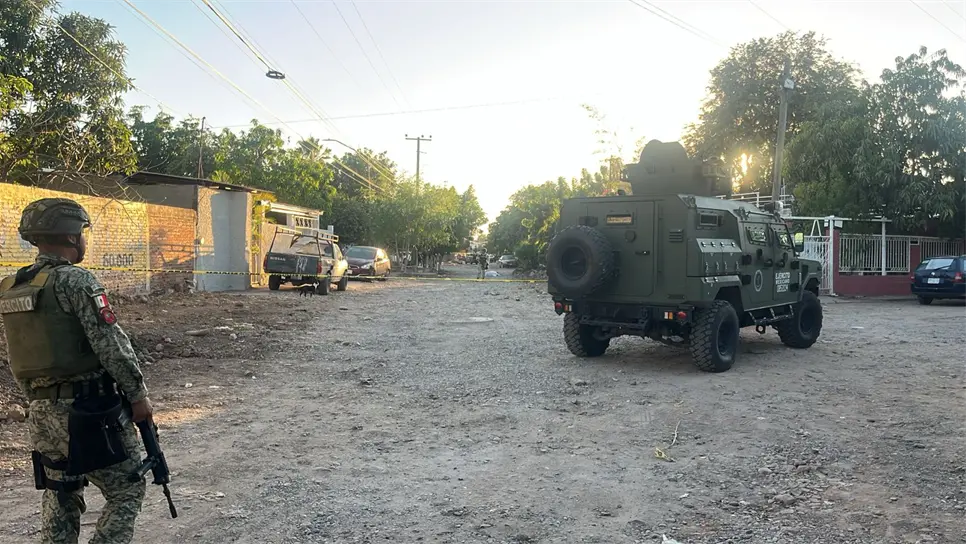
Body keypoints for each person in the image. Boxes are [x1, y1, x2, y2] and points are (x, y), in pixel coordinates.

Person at [0, 198, 153, 544]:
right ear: (70, 237)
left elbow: (19, 356)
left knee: (60, 492)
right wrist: (138, 395)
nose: (85, 239)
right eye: (83, 232)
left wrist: (39, 401)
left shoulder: (13, 287)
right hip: (89, 413)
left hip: (41, 413)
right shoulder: (77, 282)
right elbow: (111, 345)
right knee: (127, 489)